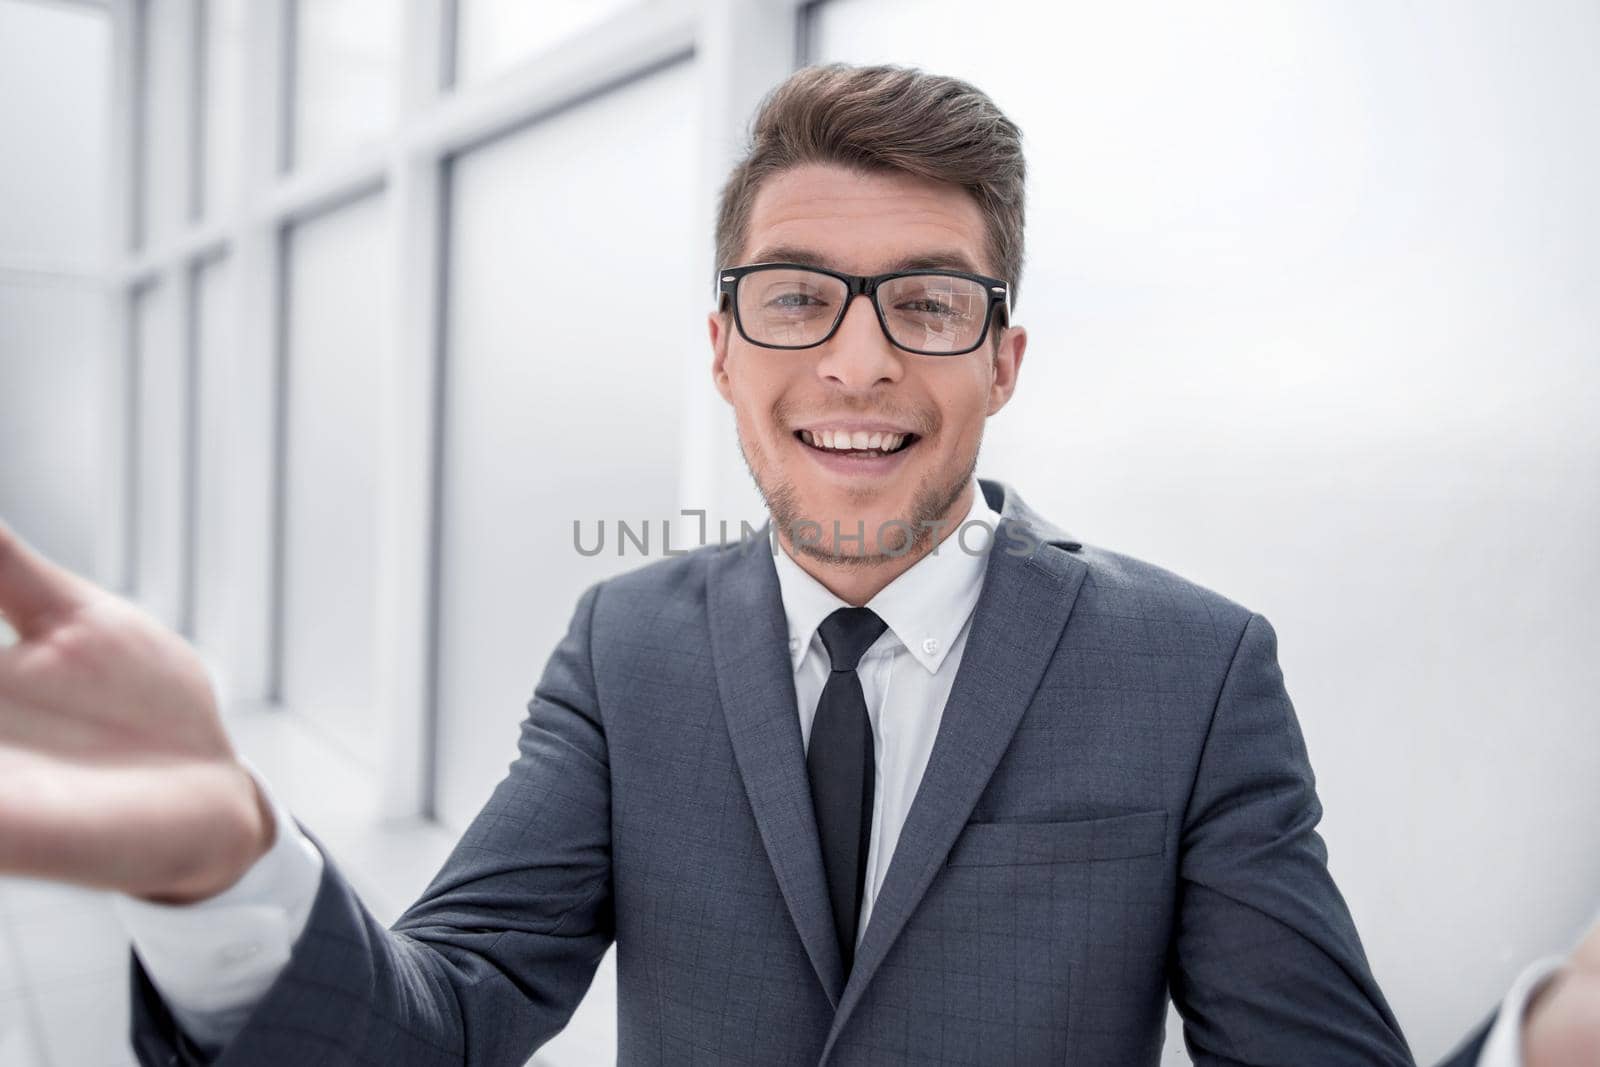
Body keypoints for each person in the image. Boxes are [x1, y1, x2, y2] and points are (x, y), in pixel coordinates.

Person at [0, 63, 1594, 1066]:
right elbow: (441, 1020)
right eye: (794, 298)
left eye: (926, 302)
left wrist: (1541, 1047)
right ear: (720, 348)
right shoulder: (627, 646)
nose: (854, 361)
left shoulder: (1192, 669)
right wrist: (225, 865)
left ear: (1005, 359)